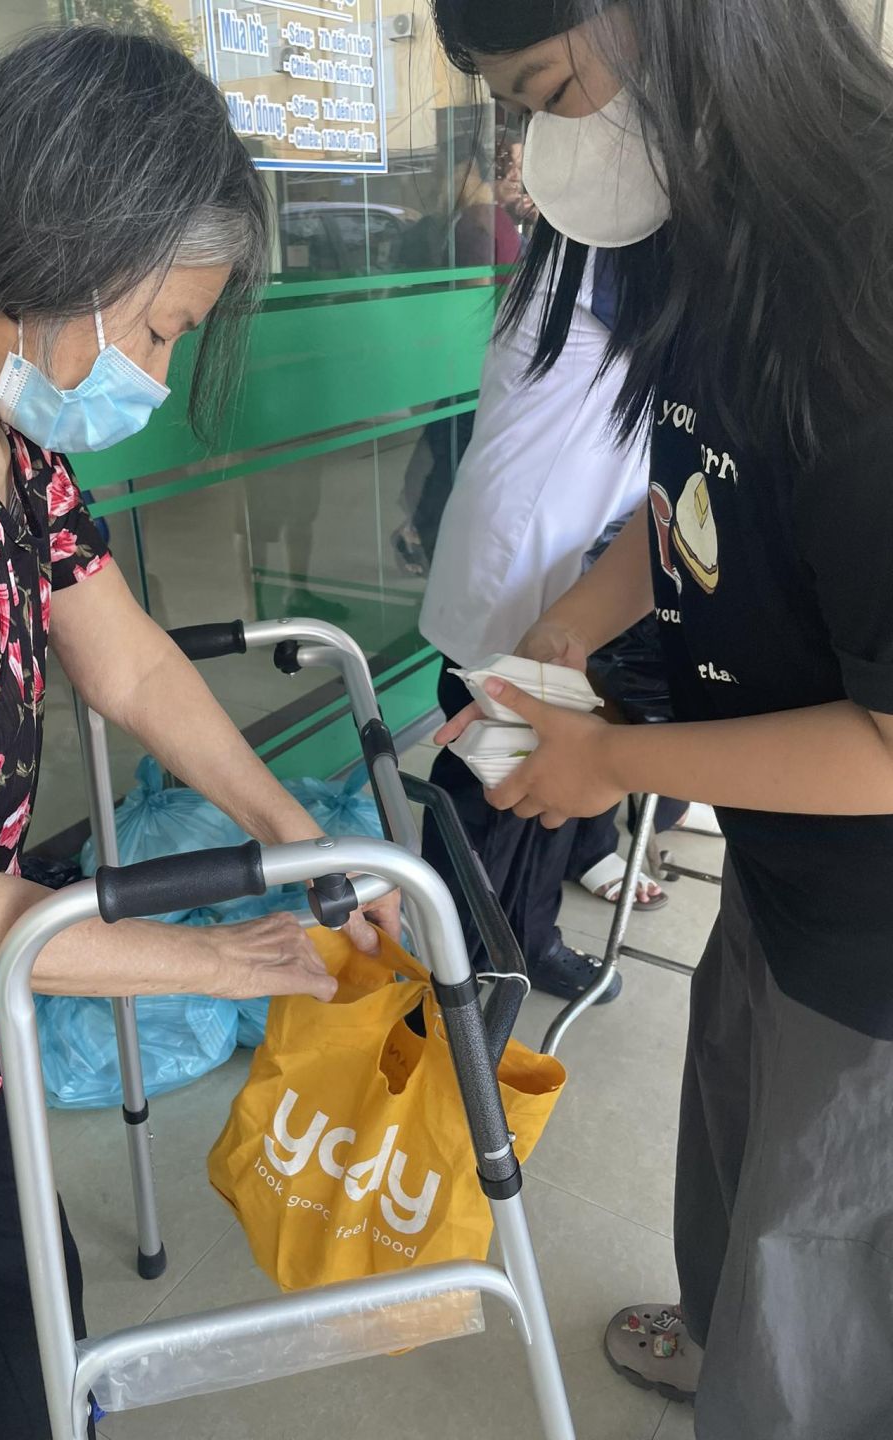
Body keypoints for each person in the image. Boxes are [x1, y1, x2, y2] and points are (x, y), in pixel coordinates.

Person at [0, 28, 399, 1440]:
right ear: (78, 242)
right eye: (160, 330)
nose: (151, 373)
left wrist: (295, 835)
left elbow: (124, 656)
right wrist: (221, 961)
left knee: (39, 1331)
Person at [430, 1, 893, 1436]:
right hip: (780, 858)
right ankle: (721, 1342)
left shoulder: (865, 281)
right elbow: (697, 495)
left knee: (816, 1244)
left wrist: (615, 760)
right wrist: (574, 623)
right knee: (735, 1139)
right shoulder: (725, 236)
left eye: (544, 89)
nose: (532, 148)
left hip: (874, 921)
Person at [419, 246, 678, 1003]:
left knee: (553, 786)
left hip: (577, 571)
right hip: (518, 571)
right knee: (490, 792)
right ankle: (449, 979)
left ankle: (529, 944)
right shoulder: (605, 254)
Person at [394, 133, 523, 576]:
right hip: (485, 369)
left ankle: (424, 539)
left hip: (468, 372)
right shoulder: (497, 219)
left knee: (446, 460)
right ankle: (421, 534)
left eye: (440, 172)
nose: (436, 182)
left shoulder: (473, 225)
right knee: (446, 456)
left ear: (465, 170)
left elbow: (472, 304)